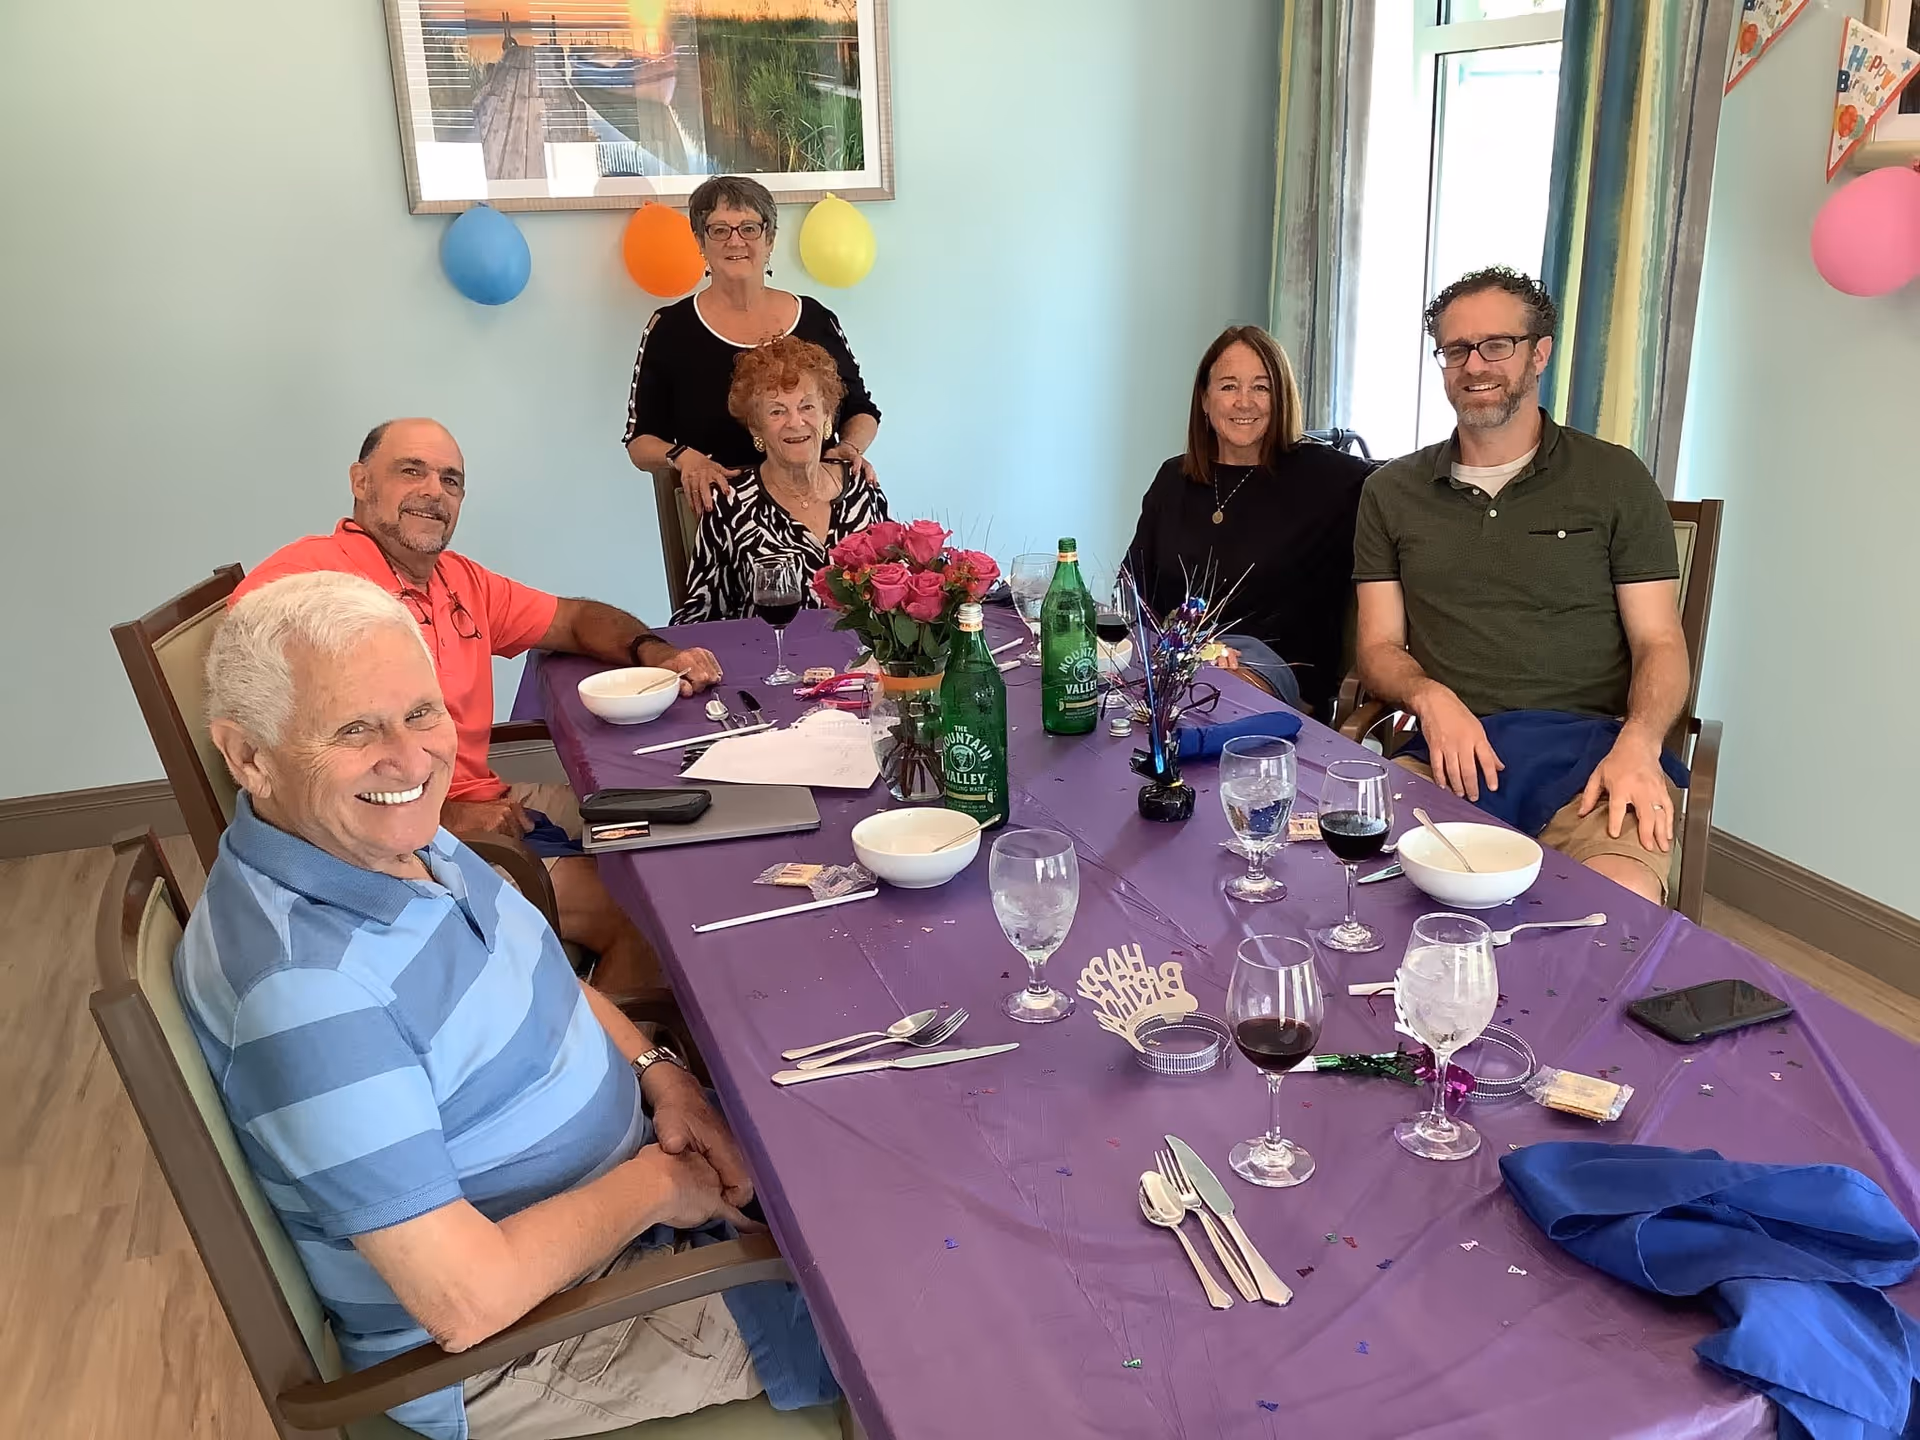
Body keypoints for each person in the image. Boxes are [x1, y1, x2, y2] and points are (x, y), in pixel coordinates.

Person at [180, 573, 836, 1440]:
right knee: (919, 1311)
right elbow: (467, 1300)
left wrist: (659, 1077)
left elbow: (543, 978)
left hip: (620, 1210)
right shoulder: (307, 994)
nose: (411, 761)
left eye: (420, 712)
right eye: (353, 729)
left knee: (882, 1150)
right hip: (533, 1339)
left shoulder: (380, 838)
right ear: (249, 754)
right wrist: (657, 1186)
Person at [234, 417, 720, 993]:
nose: (433, 491)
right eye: (410, 471)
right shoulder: (310, 582)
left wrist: (652, 649)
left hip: (488, 800)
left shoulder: (457, 580)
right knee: (653, 917)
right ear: (360, 482)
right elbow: (272, 751)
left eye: (451, 480)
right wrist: (437, 822)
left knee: (687, 826)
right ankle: (605, 1064)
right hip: (403, 842)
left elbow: (574, 619)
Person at [1352, 267, 1690, 904]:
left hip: (1591, 760)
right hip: (1446, 757)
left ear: (1540, 352)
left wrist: (1639, 744)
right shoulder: (1390, 493)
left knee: (1616, 910)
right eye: (1456, 350)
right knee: (1355, 893)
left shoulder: (1615, 478)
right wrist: (1429, 696)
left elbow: (1659, 643)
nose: (1474, 365)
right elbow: (1377, 649)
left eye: (1496, 345)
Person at [1125, 325, 1372, 716]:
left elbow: (1407, 486)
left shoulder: (1331, 480)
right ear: (1204, 400)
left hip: (1274, 673)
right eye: (1228, 387)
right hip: (1173, 664)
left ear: (1282, 397)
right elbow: (1132, 591)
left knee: (1207, 702)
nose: (1245, 402)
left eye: (1261, 387)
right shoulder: (1174, 479)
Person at [624, 174, 882, 516]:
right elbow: (640, 441)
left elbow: (861, 410)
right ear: (700, 241)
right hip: (725, 515)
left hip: (819, 504)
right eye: (719, 229)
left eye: (749, 228)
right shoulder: (669, 329)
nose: (735, 241)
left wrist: (849, 446)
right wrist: (684, 457)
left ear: (770, 239)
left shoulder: (816, 319)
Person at [672, 336, 891, 624]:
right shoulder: (729, 504)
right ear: (755, 426)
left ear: (827, 416)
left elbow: (894, 596)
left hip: (861, 664)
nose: (795, 422)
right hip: (769, 662)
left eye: (807, 407)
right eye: (777, 411)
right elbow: (699, 620)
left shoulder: (862, 487)